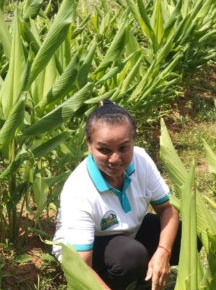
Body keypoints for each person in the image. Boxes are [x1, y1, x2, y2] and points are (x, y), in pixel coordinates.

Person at [52, 100, 182, 290]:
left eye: (123, 148)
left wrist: (163, 252)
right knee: (131, 256)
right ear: (89, 145)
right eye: (104, 150)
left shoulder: (141, 160)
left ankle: (142, 282)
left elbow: (167, 208)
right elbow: (81, 265)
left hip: (127, 233)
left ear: (133, 142)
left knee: (184, 236)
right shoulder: (78, 190)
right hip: (84, 253)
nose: (115, 159)